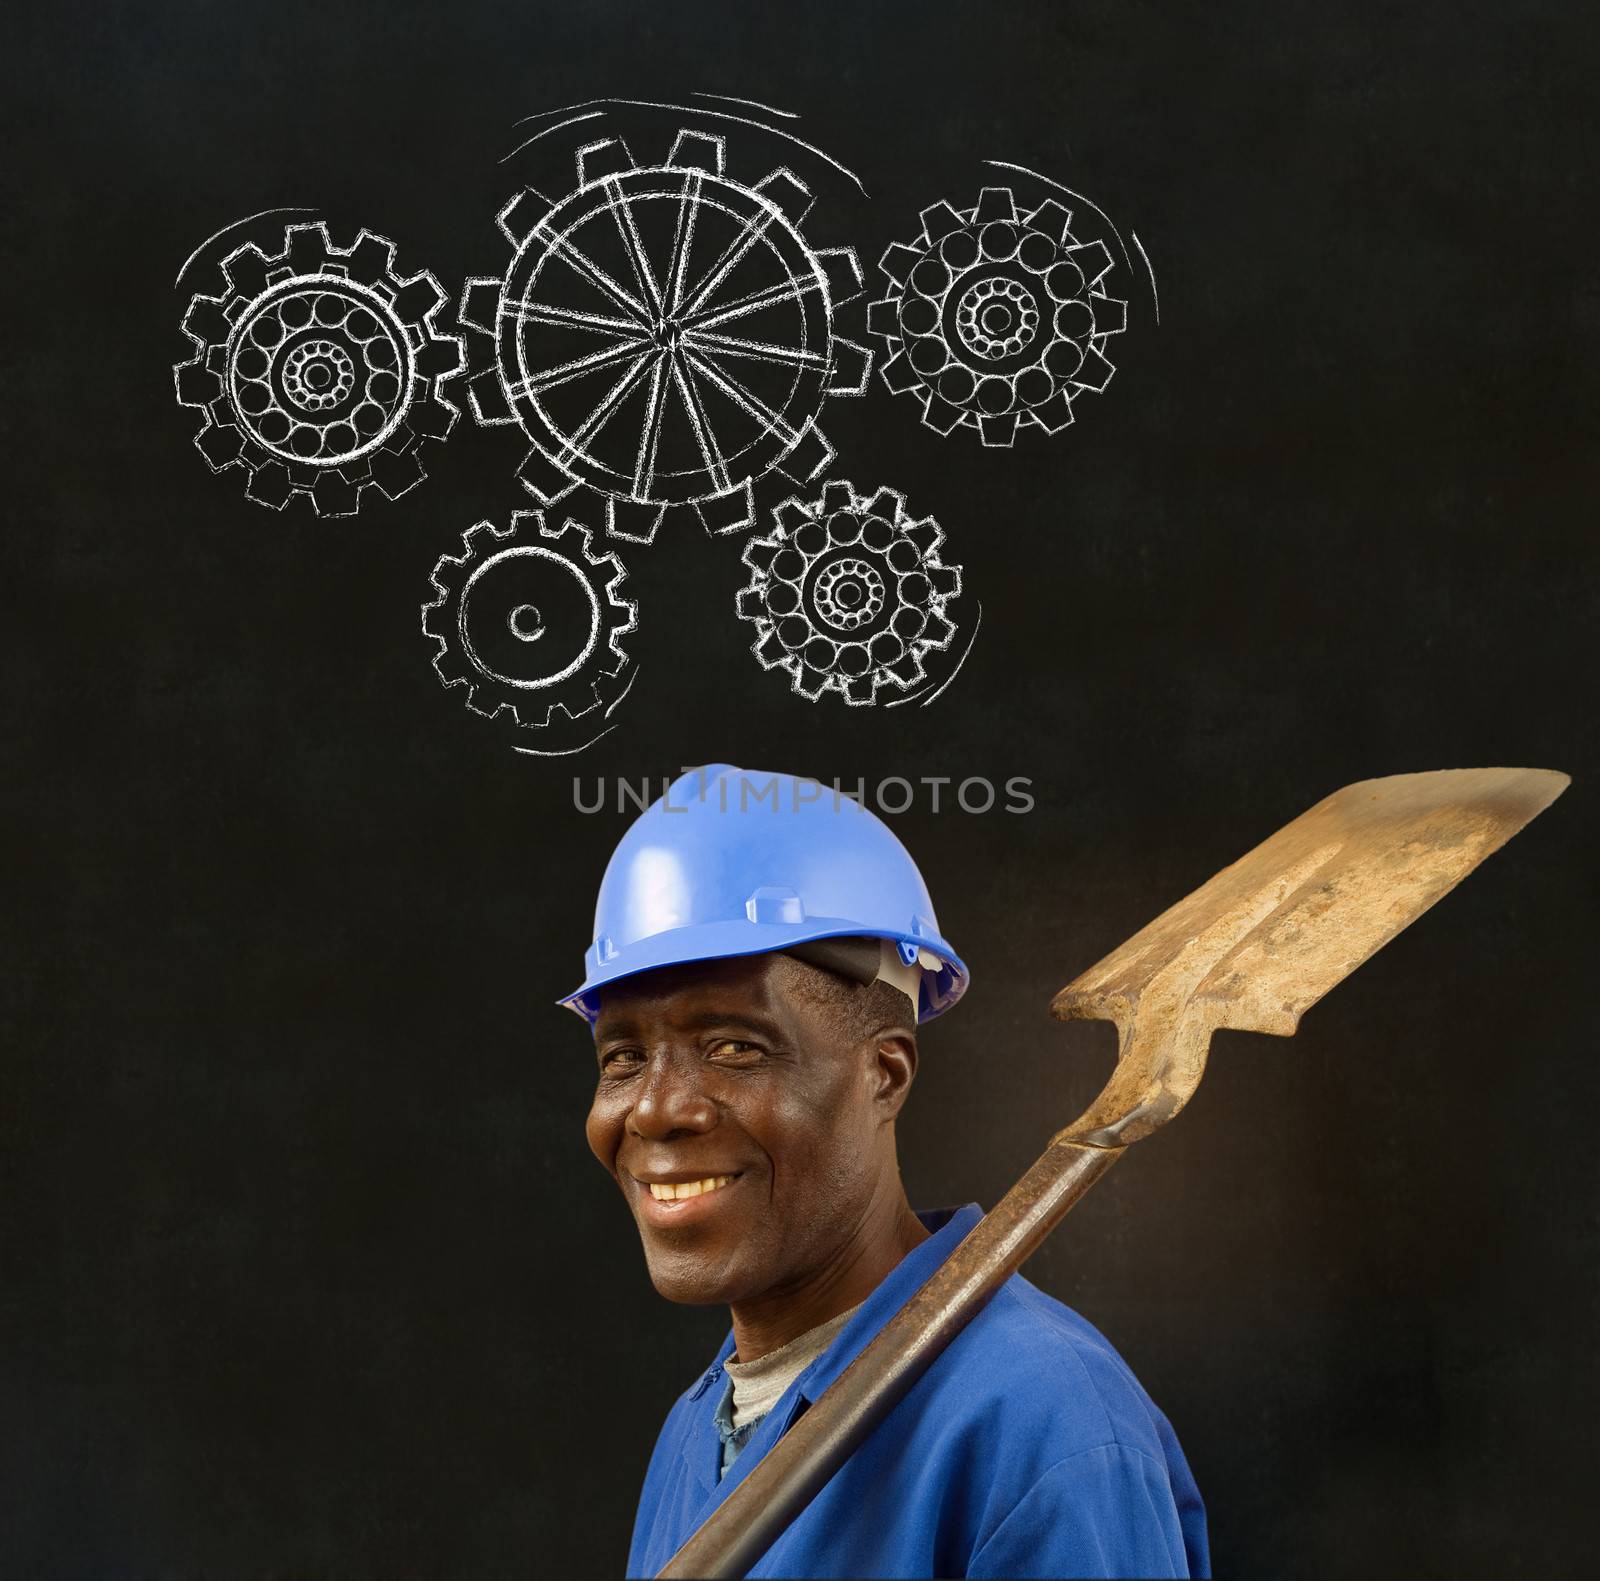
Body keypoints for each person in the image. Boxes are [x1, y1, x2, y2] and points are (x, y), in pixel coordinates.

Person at [565, 765, 1209, 1579]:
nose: (656, 1109)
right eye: (623, 1056)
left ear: (886, 1073)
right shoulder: (698, 1430)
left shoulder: (1044, 1421)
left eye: (733, 1045)